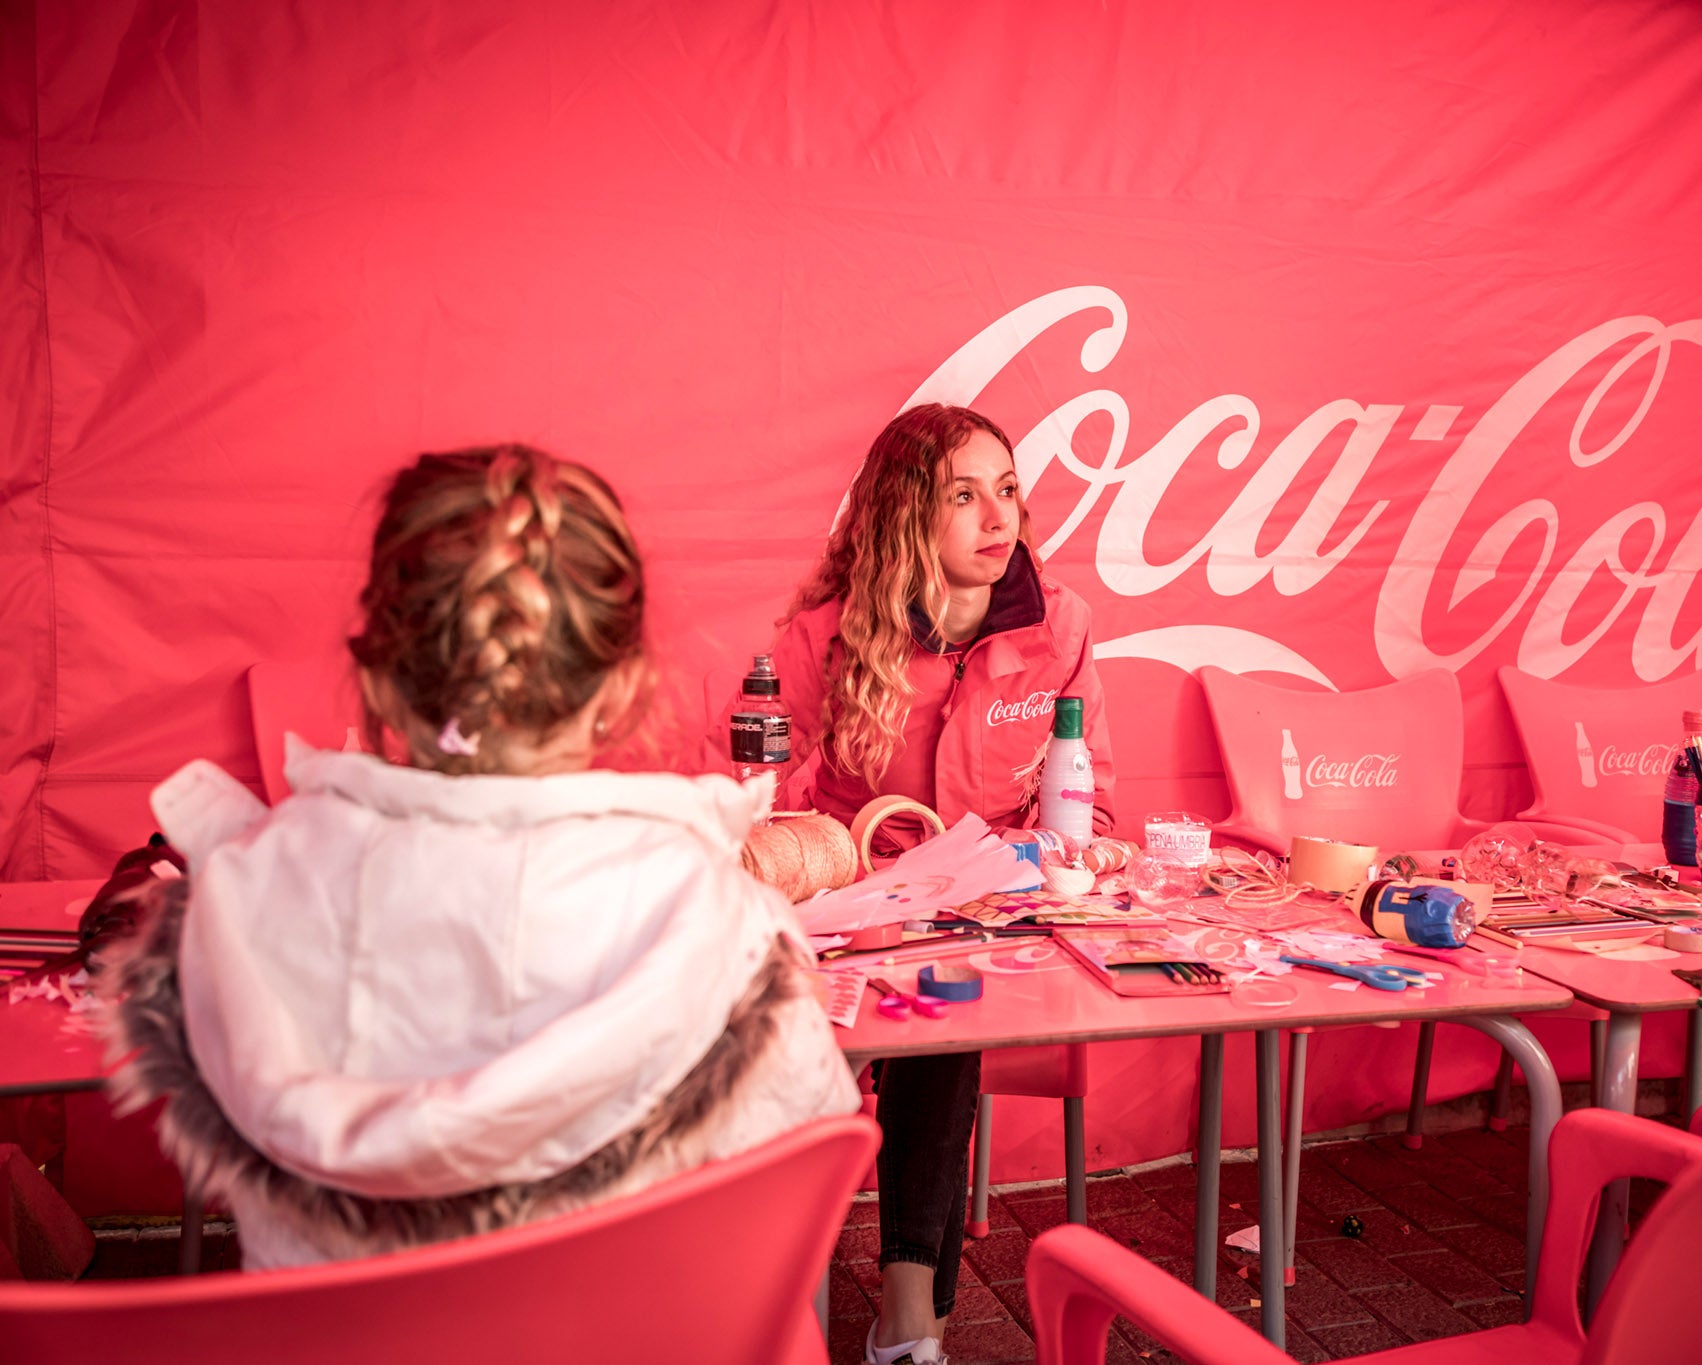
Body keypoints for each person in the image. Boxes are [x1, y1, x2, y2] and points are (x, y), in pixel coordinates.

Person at [103, 444, 858, 1268]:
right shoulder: (722, 921)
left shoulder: (244, 895)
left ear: (379, 680)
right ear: (624, 686)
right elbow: (803, 1171)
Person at [773, 403, 1115, 1365]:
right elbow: (759, 805)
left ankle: (907, 1314)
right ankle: (779, 1294)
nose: (995, 516)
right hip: (846, 914)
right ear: (902, 517)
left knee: (945, 1006)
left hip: (984, 920)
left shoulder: (1064, 627)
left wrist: (1077, 855)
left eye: (1005, 489)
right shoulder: (823, 639)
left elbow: (1093, 795)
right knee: (837, 1025)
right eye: (961, 495)